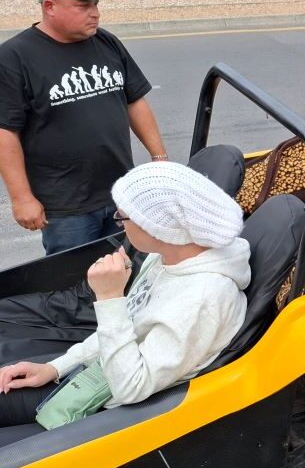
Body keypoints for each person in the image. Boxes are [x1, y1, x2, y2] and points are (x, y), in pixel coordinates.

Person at [0, 161, 250, 445]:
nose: (118, 221)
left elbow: (131, 387)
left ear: (156, 227)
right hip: (94, 380)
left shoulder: (202, 299)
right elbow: (126, 325)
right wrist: (55, 367)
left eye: (123, 217)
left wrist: (109, 298)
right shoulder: (166, 258)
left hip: (113, 415)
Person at [0, 0, 168, 255]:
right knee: (74, 279)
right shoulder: (14, 57)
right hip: (67, 209)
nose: (95, 13)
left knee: (128, 270)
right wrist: (22, 198)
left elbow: (135, 100)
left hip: (120, 194)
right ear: (50, 6)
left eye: (96, 4)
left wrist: (160, 158)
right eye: (83, 6)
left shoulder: (106, 42)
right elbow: (5, 132)